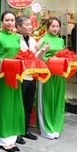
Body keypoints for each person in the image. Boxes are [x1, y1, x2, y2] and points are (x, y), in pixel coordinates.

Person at [0, 11, 24, 152]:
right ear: (1, 21)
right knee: (4, 105)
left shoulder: (17, 38)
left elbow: (20, 54)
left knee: (15, 106)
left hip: (16, 74)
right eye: (7, 20)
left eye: (12, 20)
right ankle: (3, 139)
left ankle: (12, 137)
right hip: (3, 75)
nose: (10, 23)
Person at [16, 14, 47, 142]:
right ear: (19, 27)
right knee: (19, 104)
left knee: (28, 104)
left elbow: (36, 57)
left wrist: (43, 51)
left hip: (32, 75)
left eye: (30, 24)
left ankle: (25, 129)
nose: (30, 27)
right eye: (27, 24)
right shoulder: (15, 40)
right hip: (21, 75)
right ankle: (16, 131)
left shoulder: (33, 40)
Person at [36, 17, 66, 139]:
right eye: (53, 26)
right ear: (47, 27)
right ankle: (46, 128)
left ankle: (56, 126)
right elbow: (38, 57)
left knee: (58, 99)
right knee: (47, 99)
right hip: (47, 73)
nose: (55, 29)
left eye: (57, 26)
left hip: (59, 73)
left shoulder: (61, 41)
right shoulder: (42, 40)